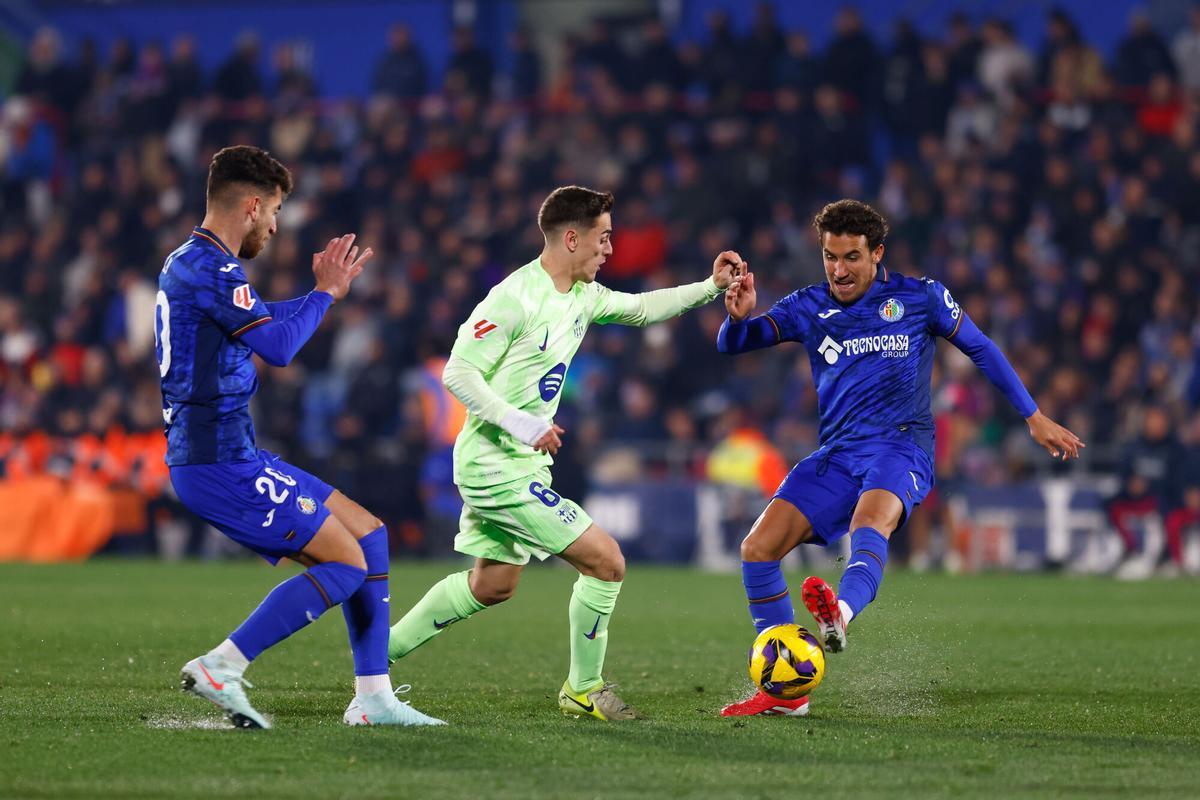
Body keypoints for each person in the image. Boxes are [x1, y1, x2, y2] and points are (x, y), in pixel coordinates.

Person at [381, 186, 737, 721]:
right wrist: (523, 424)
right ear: (572, 238)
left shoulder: (583, 296)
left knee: (492, 584)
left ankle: (376, 655)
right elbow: (458, 372)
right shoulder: (513, 298)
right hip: (493, 465)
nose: (610, 249)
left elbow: (642, 309)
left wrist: (711, 287)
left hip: (520, 463)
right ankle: (583, 687)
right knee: (606, 562)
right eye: (603, 237)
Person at [716, 199, 1083, 716]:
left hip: (901, 445)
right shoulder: (808, 306)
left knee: (869, 522)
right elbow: (734, 344)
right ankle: (788, 692)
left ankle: (840, 615)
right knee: (757, 549)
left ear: (877, 253)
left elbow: (981, 348)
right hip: (838, 453)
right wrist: (736, 318)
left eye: (851, 257)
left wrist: (1033, 415)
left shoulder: (920, 297)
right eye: (829, 257)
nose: (839, 270)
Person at [157, 145, 442, 728]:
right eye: (275, 211)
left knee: (369, 534)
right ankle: (222, 665)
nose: (274, 225)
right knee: (347, 564)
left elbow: (262, 316)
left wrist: (323, 293)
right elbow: (279, 348)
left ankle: (374, 699)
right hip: (216, 462)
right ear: (252, 205)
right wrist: (323, 296)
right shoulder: (214, 268)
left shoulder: (192, 262)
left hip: (232, 453)